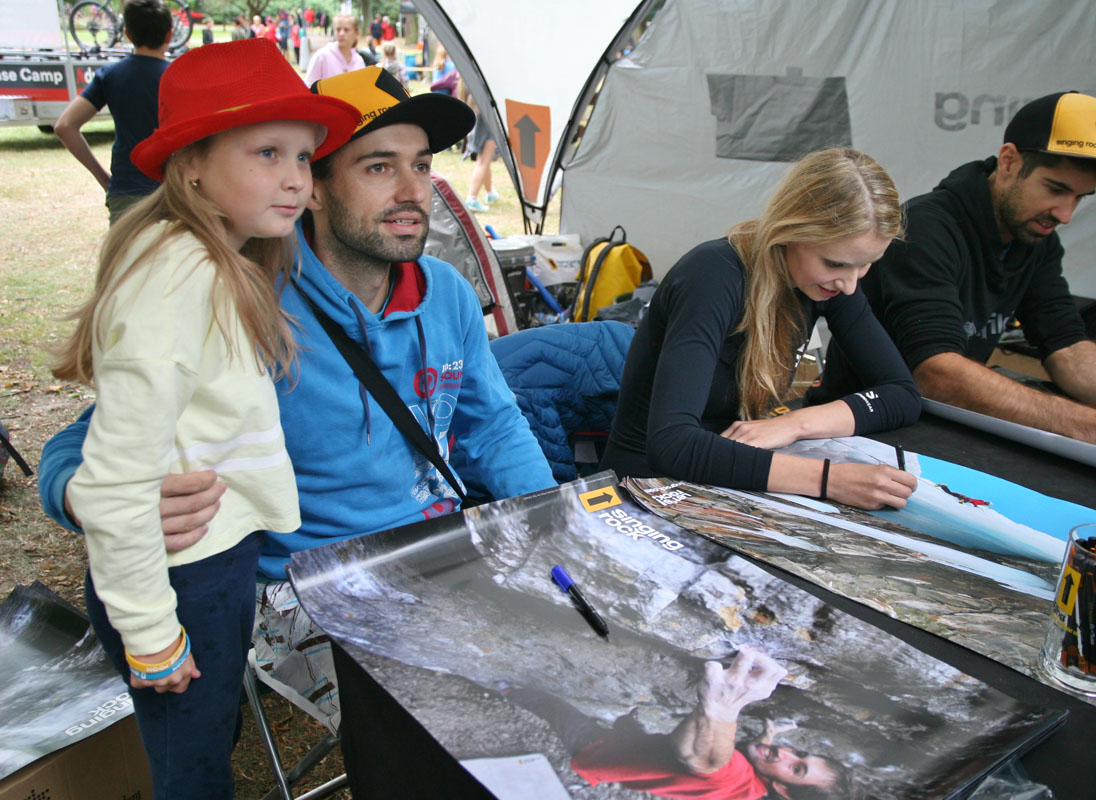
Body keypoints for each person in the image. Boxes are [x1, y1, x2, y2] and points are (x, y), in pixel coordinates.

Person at [40, 65, 556, 733]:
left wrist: (555, 528)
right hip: (304, 587)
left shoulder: (447, 292)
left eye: (422, 166)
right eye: (379, 167)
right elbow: (86, 439)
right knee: (477, 728)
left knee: (586, 668)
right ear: (313, 188)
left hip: (442, 557)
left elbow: (493, 429)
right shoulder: (246, 296)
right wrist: (77, 494)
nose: (413, 192)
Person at [47, 39, 357, 799]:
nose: (296, 178)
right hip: (182, 574)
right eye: (267, 152)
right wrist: (152, 633)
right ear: (190, 162)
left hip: (213, 561)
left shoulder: (215, 257)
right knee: (193, 771)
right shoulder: (176, 275)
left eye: (304, 156)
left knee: (207, 737)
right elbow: (116, 478)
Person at [815, 91, 1096, 459]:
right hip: (858, 432)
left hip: (946, 431)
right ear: (1009, 160)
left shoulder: (1034, 238)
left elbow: (1067, 347)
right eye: (1056, 189)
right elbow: (936, 372)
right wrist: (1091, 425)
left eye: (1080, 197)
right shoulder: (927, 227)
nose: (1066, 214)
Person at [601, 148, 920, 510]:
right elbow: (672, 444)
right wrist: (828, 480)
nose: (849, 285)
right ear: (790, 232)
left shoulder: (829, 282)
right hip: (647, 484)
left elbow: (901, 394)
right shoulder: (711, 277)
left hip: (726, 474)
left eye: (866, 265)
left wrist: (795, 424)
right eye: (835, 264)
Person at [505, 647, 859, 799]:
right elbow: (746, 761)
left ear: (783, 790)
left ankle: (509, 689)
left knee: (551, 706)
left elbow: (705, 761)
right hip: (636, 755)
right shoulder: (760, 782)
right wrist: (769, 735)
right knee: (629, 729)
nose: (787, 753)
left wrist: (722, 708)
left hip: (595, 751)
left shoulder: (736, 784)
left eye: (797, 768)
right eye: (801, 754)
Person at [53, 0, 172, 225]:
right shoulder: (178, 77)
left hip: (126, 193)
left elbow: (65, 126)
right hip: (174, 194)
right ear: (170, 34)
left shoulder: (110, 75)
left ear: (127, 34)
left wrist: (104, 179)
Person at [462, 86, 498, 212]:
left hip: (476, 116)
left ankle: (490, 193)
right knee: (483, 160)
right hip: (486, 119)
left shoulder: (468, 82)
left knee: (484, 160)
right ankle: (472, 198)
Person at [304, 13, 365, 85]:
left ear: (356, 33)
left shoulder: (359, 61)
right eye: (338, 29)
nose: (341, 33)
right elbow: (308, 86)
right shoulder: (322, 56)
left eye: (346, 30)